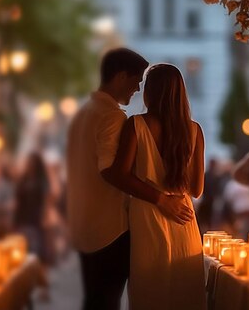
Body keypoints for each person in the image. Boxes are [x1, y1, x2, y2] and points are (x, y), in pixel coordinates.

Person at [67, 49, 192, 310]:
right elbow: (110, 171)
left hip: (83, 225)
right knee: (108, 301)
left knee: (95, 300)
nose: (137, 89)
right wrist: (161, 199)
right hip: (109, 228)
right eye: (136, 81)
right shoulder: (113, 117)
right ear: (121, 76)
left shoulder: (83, 113)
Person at [103, 63, 206, 310]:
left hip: (148, 217)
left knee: (150, 293)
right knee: (185, 295)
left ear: (151, 91)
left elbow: (120, 174)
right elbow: (196, 189)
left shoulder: (136, 125)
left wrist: (159, 199)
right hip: (184, 220)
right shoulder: (194, 131)